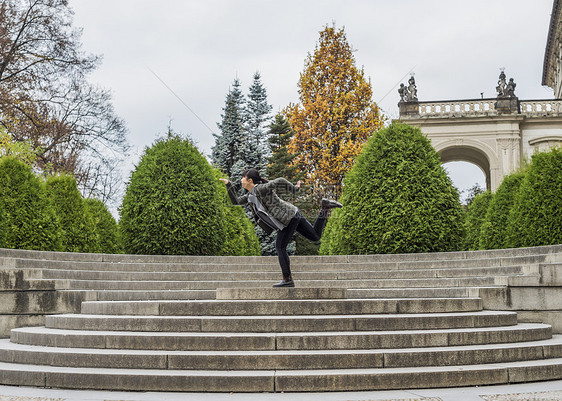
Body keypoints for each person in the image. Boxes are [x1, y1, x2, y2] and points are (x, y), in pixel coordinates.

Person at [219, 168, 342, 287]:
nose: (241, 180)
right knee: (315, 236)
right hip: (293, 214)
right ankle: (324, 208)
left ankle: (287, 279)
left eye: (243, 178)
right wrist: (228, 184)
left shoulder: (261, 189)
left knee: (280, 246)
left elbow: (280, 181)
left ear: (250, 180)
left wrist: (295, 189)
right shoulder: (250, 196)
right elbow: (235, 201)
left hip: (288, 218)